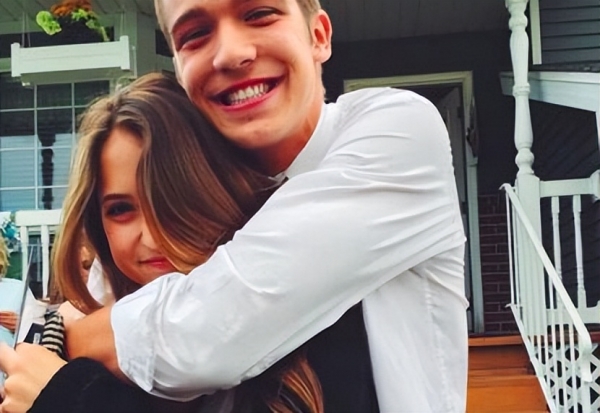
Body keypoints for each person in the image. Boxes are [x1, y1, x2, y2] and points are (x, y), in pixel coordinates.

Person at [3, 0, 468, 411]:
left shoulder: (395, 130)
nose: (230, 53)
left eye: (259, 14)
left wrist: (68, 345)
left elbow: (204, 333)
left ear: (319, 35)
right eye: (194, 35)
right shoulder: (199, 196)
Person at [0, 73, 377, 413]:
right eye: (121, 210)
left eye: (173, 200)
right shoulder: (60, 347)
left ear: (221, 192)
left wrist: (72, 398)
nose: (151, 236)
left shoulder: (324, 336)